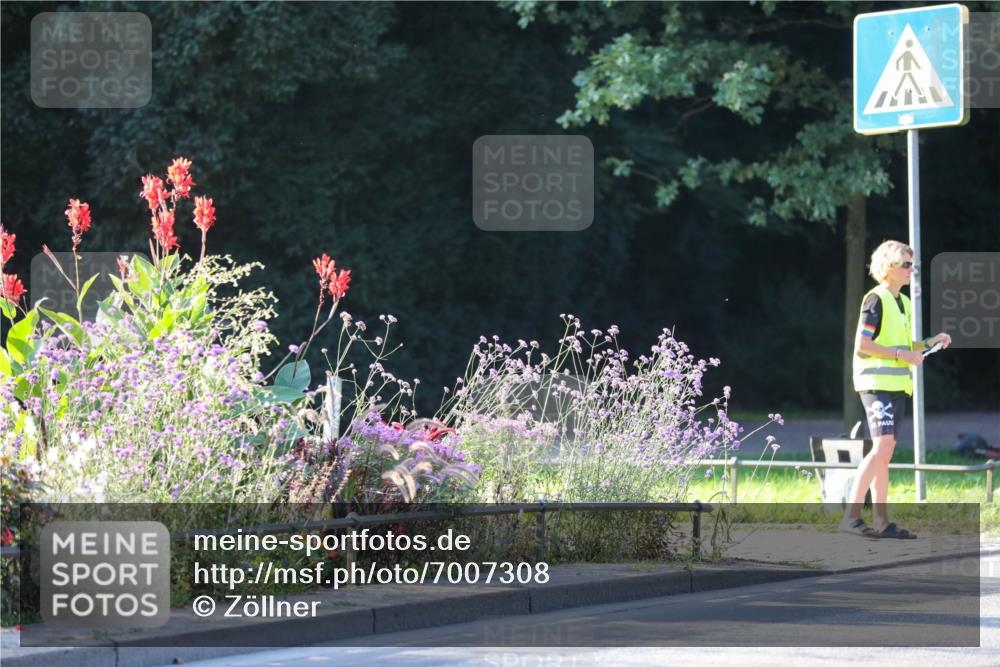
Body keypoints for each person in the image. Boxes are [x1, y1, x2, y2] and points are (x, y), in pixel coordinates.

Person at [840, 240, 951, 539]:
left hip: (895, 386)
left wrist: (932, 342)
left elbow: (907, 347)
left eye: (912, 265)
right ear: (888, 267)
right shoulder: (875, 299)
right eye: (905, 265)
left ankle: (882, 522)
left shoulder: (902, 302)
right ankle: (851, 516)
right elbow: (864, 344)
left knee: (884, 453)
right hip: (875, 384)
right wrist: (904, 356)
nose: (911, 270)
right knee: (882, 448)